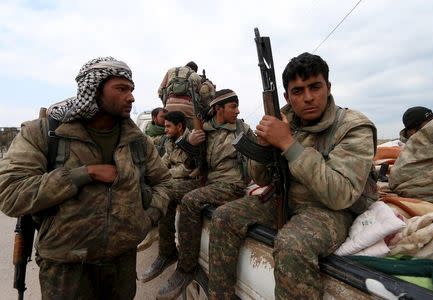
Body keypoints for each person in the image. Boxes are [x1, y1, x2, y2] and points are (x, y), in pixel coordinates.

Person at [208, 53, 377, 299]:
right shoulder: (283, 120)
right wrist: (265, 146)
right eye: (298, 91)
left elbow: (341, 194)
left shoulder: (352, 126)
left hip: (330, 209)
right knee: (223, 216)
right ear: (287, 97)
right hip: (285, 198)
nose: (308, 98)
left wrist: (288, 143)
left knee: (292, 244)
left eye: (315, 87)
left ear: (328, 87)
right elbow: (262, 179)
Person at [0, 57, 171, 300]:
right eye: (121, 89)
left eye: (131, 89)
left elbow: (164, 182)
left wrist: (146, 218)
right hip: (66, 267)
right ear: (94, 90)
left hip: (121, 265)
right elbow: (10, 193)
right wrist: (83, 174)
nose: (131, 97)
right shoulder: (44, 133)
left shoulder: (137, 141)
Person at [144, 89, 253, 300]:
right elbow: (192, 164)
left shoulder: (242, 130)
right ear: (218, 109)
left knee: (191, 200)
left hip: (231, 185)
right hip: (209, 183)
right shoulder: (205, 130)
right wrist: (189, 144)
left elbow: (259, 157)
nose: (238, 111)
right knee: (167, 191)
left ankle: (186, 268)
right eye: (233, 107)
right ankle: (167, 253)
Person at [138, 111, 200, 256]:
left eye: (168, 126)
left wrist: (164, 176)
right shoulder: (170, 141)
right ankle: (150, 230)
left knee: (164, 191)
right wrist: (151, 175)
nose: (165, 129)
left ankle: (167, 248)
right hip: (175, 180)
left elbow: (187, 169)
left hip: (191, 181)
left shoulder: (190, 141)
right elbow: (164, 162)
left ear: (179, 126)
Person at [390, 109, 433, 209]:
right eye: (428, 122)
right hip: (429, 193)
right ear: (413, 130)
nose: (432, 124)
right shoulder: (407, 146)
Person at [158, 61, 215, 128]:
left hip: (169, 108)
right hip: (188, 111)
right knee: (189, 133)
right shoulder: (196, 76)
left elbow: (160, 91)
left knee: (171, 131)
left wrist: (166, 103)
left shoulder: (170, 71)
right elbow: (203, 94)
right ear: (195, 70)